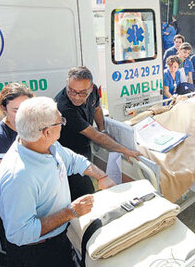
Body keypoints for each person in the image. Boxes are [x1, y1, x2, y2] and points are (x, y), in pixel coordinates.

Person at [0, 96, 114, 267]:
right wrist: (71, 212)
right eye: (61, 121)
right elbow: (20, 233)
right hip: (35, 256)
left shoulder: (48, 146)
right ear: (46, 132)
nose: (63, 124)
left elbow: (74, 160)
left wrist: (101, 176)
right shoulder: (18, 177)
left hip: (58, 240)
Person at [55, 66, 140, 200]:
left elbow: (96, 109)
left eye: (82, 93)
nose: (76, 97)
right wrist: (124, 149)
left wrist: (103, 129)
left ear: (90, 88)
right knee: (83, 191)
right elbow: (94, 136)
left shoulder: (94, 90)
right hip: (69, 153)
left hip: (84, 147)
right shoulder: (64, 107)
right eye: (72, 91)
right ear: (67, 83)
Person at [0, 83, 34, 252]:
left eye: (26, 108)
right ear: (3, 109)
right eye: (16, 110)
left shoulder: (32, 127)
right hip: (15, 211)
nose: (22, 115)